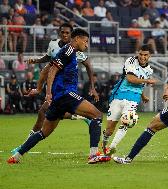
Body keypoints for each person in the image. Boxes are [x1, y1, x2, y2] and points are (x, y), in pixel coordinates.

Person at [7, 28, 106, 164]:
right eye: (86, 41)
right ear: (77, 39)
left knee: (44, 132)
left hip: (58, 99)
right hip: (65, 94)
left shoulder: (70, 51)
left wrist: (42, 90)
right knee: (97, 115)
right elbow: (52, 70)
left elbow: (48, 69)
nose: (87, 45)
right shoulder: (69, 50)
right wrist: (47, 93)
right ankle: (94, 155)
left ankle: (16, 156)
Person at [101, 44, 156, 158]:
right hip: (119, 95)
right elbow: (130, 79)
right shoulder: (131, 61)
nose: (142, 57)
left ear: (149, 56)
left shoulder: (149, 70)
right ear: (138, 53)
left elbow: (140, 85)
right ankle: (104, 145)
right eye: (140, 54)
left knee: (127, 121)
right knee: (109, 129)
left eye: (145, 55)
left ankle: (113, 146)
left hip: (133, 98)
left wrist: (143, 96)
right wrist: (148, 80)